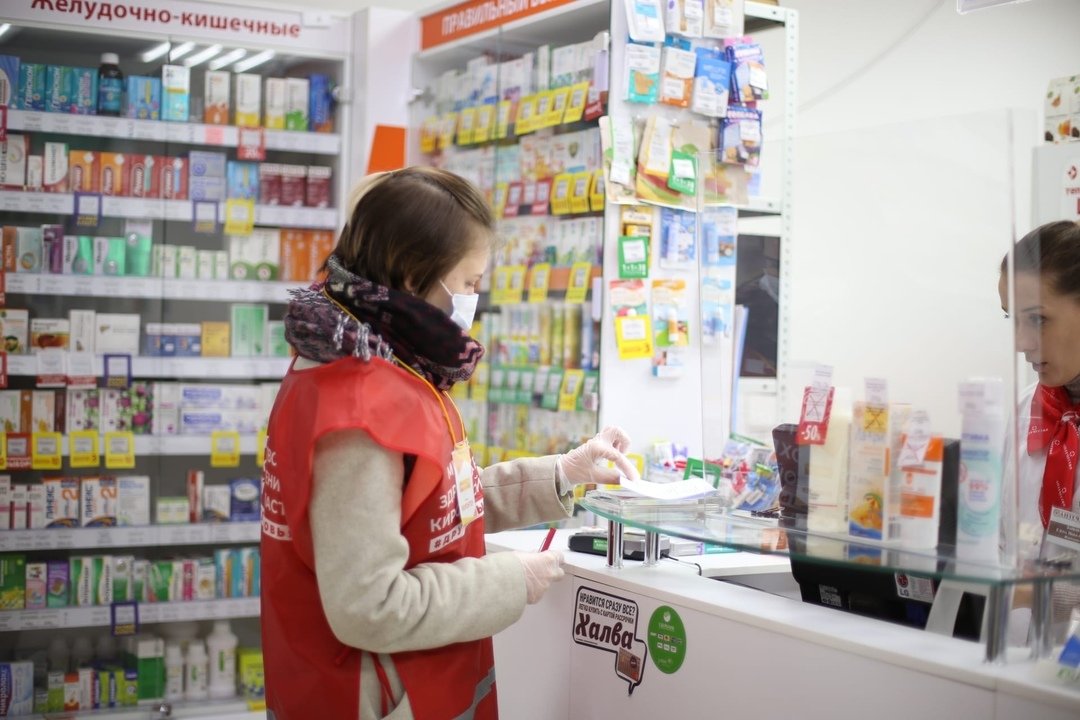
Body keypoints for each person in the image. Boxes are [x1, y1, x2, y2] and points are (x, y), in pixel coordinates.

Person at [260, 166, 639, 720]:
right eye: (469, 282)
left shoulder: (378, 366)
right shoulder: (361, 411)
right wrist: (510, 580)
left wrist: (562, 473)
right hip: (371, 696)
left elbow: (433, 505)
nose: (473, 299)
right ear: (416, 275)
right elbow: (371, 606)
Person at [998, 219, 1080, 634]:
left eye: (1038, 320)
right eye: (1012, 319)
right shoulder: (1027, 409)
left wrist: (1047, 593)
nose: (1021, 342)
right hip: (1018, 658)